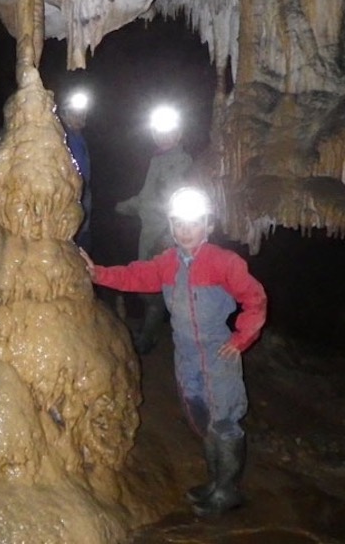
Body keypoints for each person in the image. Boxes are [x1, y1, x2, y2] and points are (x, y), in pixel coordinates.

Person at [82, 187, 267, 517]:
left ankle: (228, 491)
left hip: (217, 353)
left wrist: (240, 339)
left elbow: (255, 300)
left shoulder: (224, 263)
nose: (185, 230)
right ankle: (215, 483)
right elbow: (135, 276)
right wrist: (97, 273)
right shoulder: (168, 263)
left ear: (208, 225)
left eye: (193, 224)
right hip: (186, 355)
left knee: (224, 422)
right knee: (202, 419)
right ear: (171, 225)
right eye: (179, 224)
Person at [115, 104, 192, 353]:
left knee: (154, 290)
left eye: (169, 132)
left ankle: (147, 339)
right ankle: (151, 332)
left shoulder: (177, 162)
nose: (163, 136)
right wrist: (124, 206)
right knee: (150, 286)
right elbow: (149, 198)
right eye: (159, 132)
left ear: (178, 134)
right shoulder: (159, 160)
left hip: (162, 236)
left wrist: (170, 239)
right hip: (150, 233)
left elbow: (178, 203)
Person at [61, 91, 92, 251]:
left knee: (83, 233)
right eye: (75, 113)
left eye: (82, 114)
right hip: (69, 191)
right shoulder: (62, 136)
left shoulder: (80, 139)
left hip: (83, 190)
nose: (80, 117)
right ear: (65, 115)